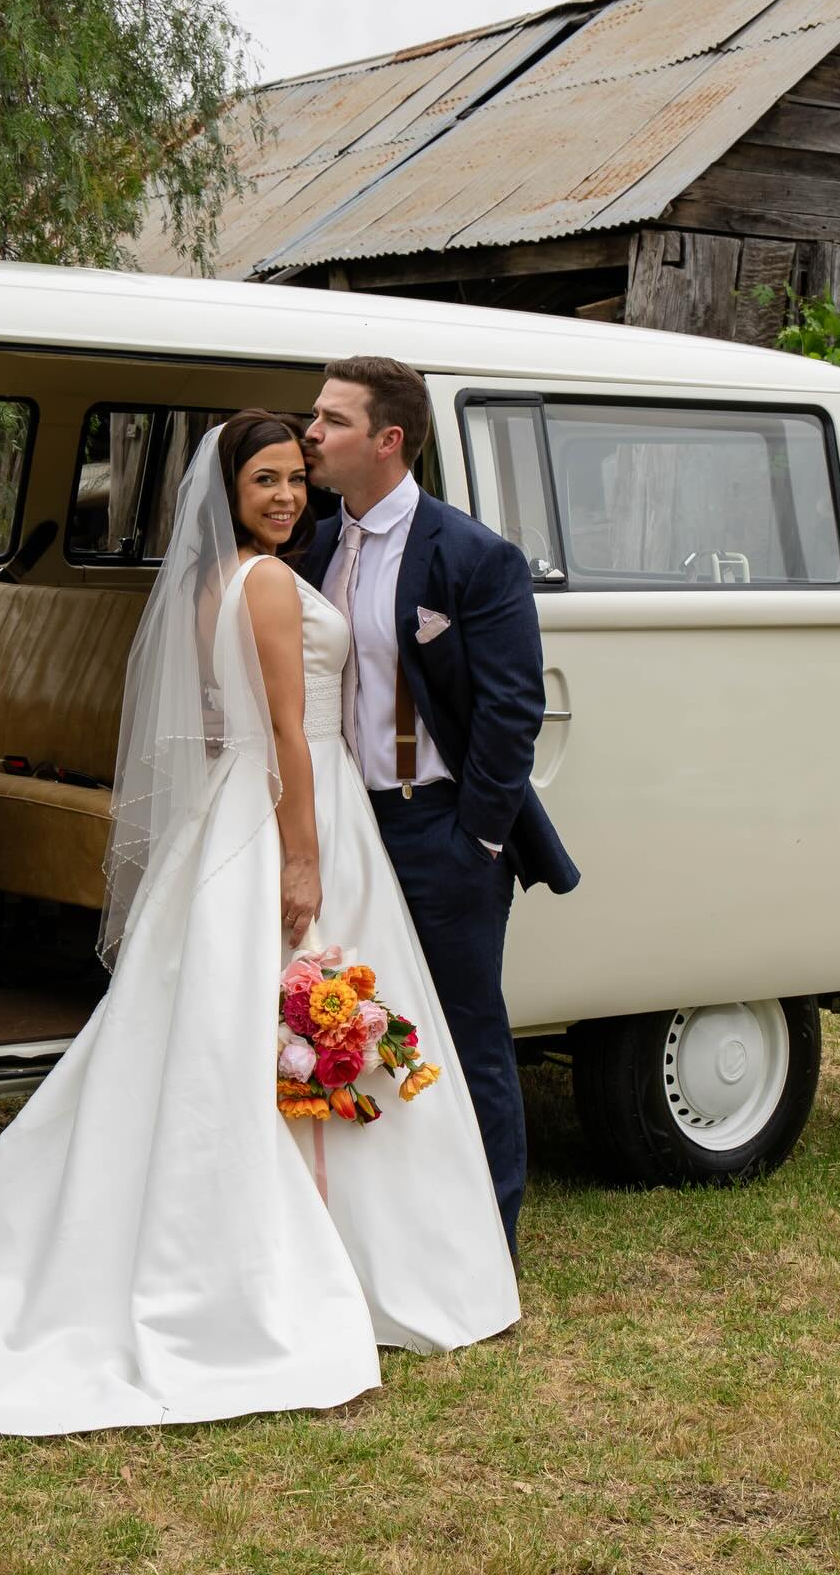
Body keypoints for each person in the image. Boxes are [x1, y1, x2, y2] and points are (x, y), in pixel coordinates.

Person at [0, 411, 518, 1436]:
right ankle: (343, 1257)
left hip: (235, 809)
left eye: (295, 479)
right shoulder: (273, 582)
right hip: (294, 799)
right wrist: (306, 854)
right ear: (227, 492)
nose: (286, 497)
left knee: (231, 1031)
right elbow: (285, 730)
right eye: (265, 481)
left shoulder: (209, 581)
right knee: (290, 1021)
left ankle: (331, 1240)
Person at [299, 360, 580, 1260]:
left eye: (332, 421)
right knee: (349, 1026)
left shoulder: (470, 554)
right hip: (343, 829)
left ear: (388, 441)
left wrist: (480, 839)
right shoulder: (309, 547)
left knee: (464, 1033)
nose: (311, 434)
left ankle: (486, 1242)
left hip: (437, 827)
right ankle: (379, 1235)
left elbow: (511, 708)